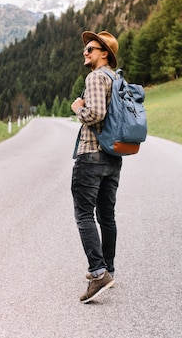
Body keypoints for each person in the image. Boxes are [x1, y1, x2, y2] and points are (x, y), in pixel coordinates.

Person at [70, 31, 122, 303]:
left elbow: (96, 114)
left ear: (105, 54)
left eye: (90, 48)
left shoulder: (95, 77)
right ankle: (108, 269)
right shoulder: (117, 78)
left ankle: (98, 272)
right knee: (107, 216)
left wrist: (78, 107)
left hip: (91, 155)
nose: (85, 52)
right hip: (113, 157)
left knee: (83, 215)